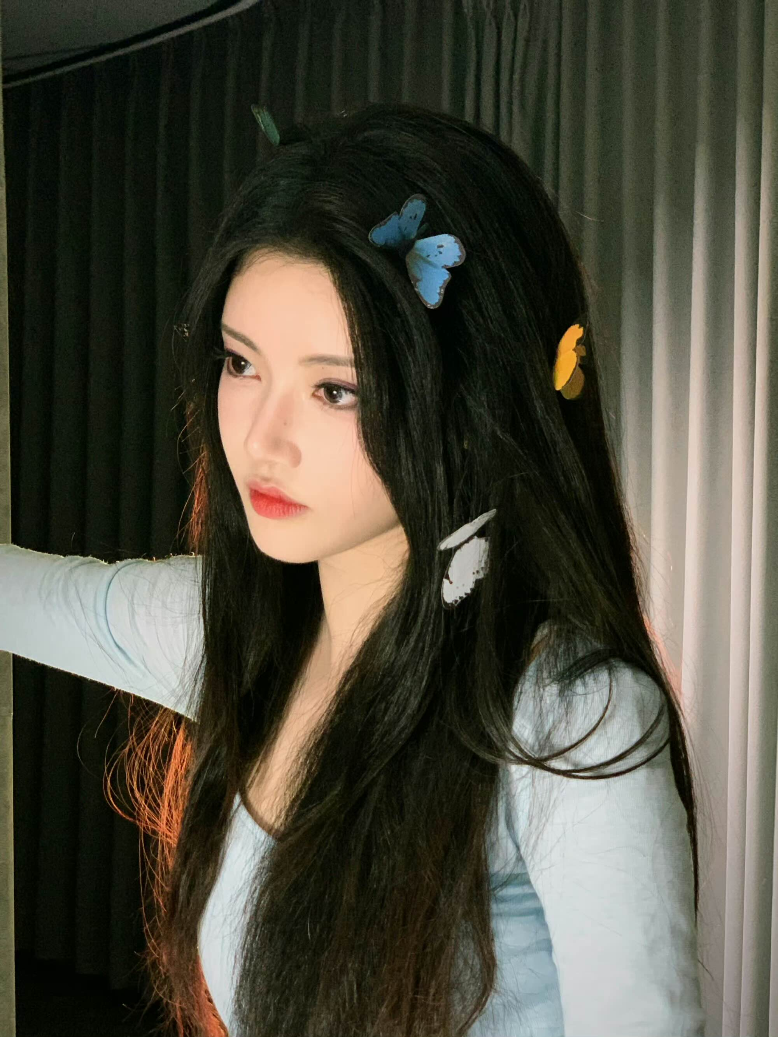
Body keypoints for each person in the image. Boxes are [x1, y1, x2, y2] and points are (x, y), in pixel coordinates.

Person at [0, 101, 707, 1037]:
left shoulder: (565, 716)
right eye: (241, 364)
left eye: (334, 389)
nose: (262, 439)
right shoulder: (232, 629)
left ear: (469, 406)